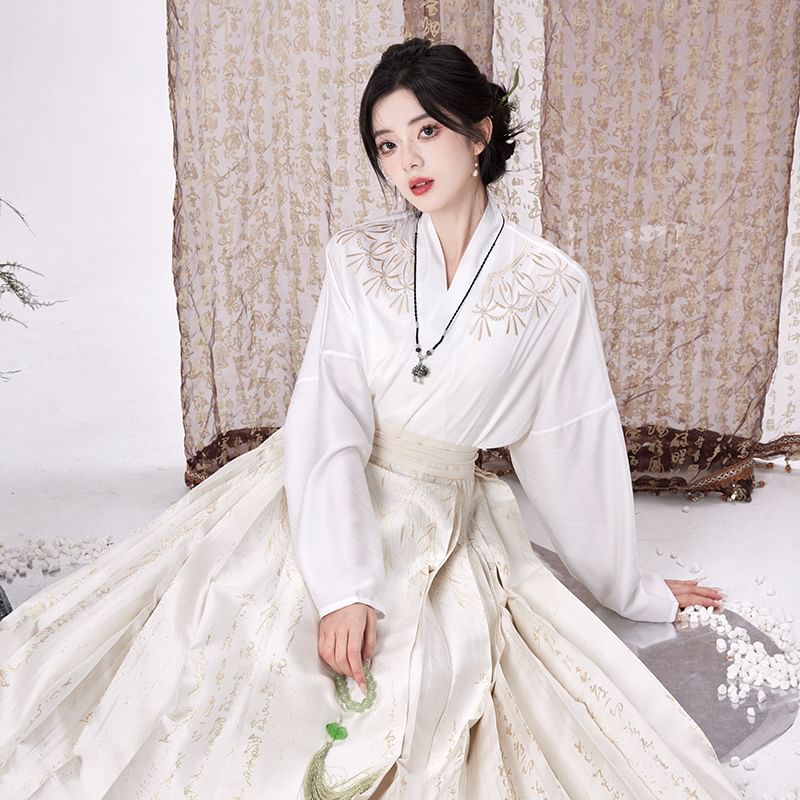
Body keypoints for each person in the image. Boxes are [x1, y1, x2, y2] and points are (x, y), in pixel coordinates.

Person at [0, 38, 737, 799]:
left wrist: (628, 588)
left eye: (427, 131)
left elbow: (569, 444)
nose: (407, 160)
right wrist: (347, 587)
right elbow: (329, 419)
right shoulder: (355, 259)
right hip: (316, 488)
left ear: (479, 134)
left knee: (419, 690)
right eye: (387, 144)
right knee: (232, 644)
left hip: (439, 517)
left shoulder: (552, 287)